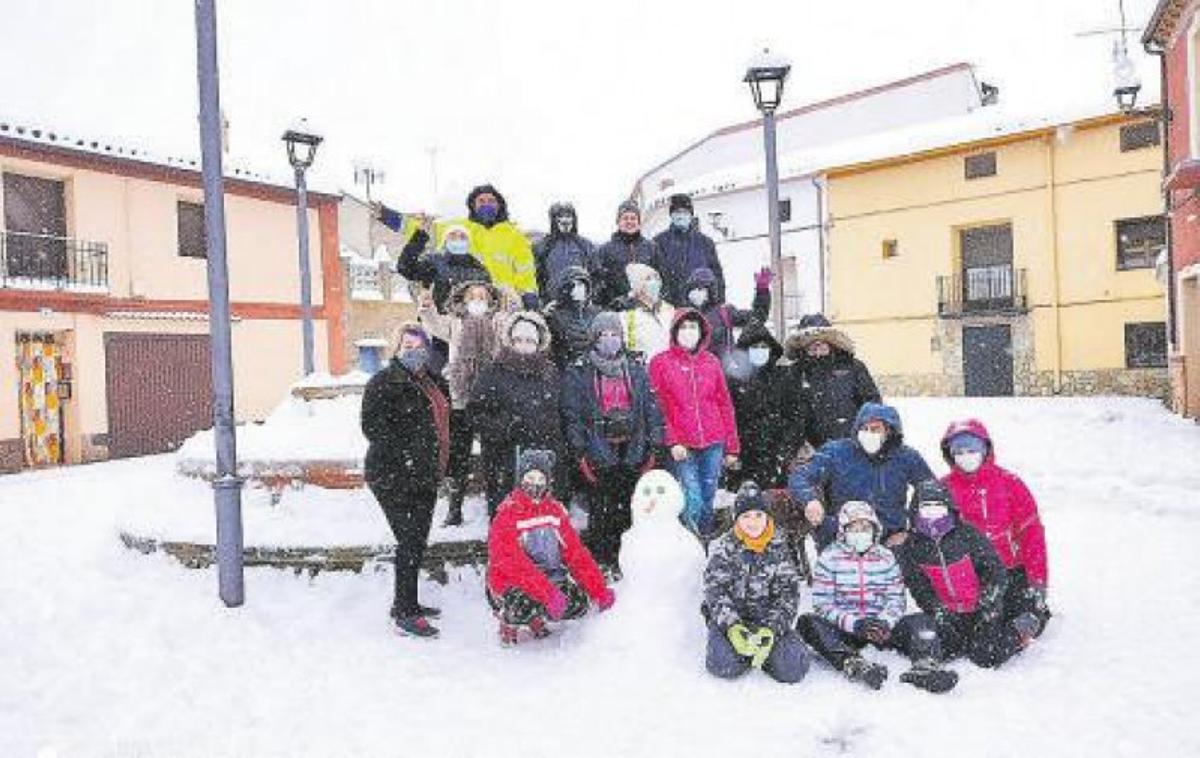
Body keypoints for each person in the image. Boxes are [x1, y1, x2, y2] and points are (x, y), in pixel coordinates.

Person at [796, 501, 959, 693]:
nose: (860, 533)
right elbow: (823, 604)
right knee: (808, 623)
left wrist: (885, 622)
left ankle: (925, 666)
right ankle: (854, 663)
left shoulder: (886, 557)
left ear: (875, 529)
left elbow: (896, 598)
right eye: (854, 528)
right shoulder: (829, 558)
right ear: (843, 531)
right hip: (847, 630)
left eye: (865, 527)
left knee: (922, 621)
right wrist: (854, 624)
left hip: (883, 629)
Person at [360, 323, 451, 638]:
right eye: (407, 346)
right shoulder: (384, 382)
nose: (414, 352)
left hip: (425, 476)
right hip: (394, 477)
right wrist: (408, 459)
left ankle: (407, 601)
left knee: (417, 541)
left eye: (420, 347)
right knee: (410, 542)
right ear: (397, 348)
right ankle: (405, 612)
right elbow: (373, 428)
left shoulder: (432, 381)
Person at [561, 311, 665, 578]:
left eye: (615, 335)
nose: (610, 340)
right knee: (601, 510)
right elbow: (573, 414)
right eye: (604, 335)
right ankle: (603, 562)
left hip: (632, 447)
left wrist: (654, 443)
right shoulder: (580, 371)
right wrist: (580, 450)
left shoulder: (635, 369)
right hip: (599, 448)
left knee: (631, 508)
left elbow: (650, 408)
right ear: (594, 339)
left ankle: (628, 560)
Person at [486, 449, 616, 645]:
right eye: (530, 477)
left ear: (548, 481)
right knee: (523, 604)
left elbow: (576, 554)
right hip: (510, 582)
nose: (535, 483)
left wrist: (599, 591)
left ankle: (538, 613)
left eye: (541, 478)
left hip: (549, 577)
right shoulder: (507, 514)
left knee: (578, 604)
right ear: (520, 479)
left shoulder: (554, 511)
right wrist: (547, 594)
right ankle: (509, 620)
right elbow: (513, 564)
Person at [899, 480, 1032, 668]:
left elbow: (994, 570)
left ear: (948, 506)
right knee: (943, 648)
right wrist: (937, 609)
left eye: (938, 505)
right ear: (916, 509)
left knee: (985, 655)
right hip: (949, 613)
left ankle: (1018, 628)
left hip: (981, 608)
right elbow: (919, 586)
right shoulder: (912, 546)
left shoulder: (967, 534)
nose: (933, 510)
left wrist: (989, 601)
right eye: (926, 505)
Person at [940, 419, 1051, 640]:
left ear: (985, 450)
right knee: (976, 627)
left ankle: (1028, 616)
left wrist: (1037, 580)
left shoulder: (1010, 483)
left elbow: (1032, 535)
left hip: (1011, 569)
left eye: (972, 448)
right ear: (950, 454)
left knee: (1023, 617)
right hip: (970, 574)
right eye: (959, 451)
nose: (966, 455)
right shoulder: (943, 488)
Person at [789, 402, 934, 550]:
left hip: (889, 540)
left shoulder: (906, 457)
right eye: (864, 428)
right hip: (840, 538)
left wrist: (911, 532)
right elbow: (801, 476)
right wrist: (810, 500)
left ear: (889, 431)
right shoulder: (836, 452)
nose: (869, 433)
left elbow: (931, 490)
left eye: (875, 429)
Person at [418, 280, 506, 526]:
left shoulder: (498, 321)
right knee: (459, 454)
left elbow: (512, 333)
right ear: (463, 300)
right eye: (472, 296)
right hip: (461, 396)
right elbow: (434, 325)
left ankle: (496, 507)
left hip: (492, 397)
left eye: (482, 296)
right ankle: (455, 508)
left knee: (493, 454)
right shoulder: (454, 322)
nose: (477, 300)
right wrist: (426, 308)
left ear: (490, 301)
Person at [703, 482, 809, 684]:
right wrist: (732, 626)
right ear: (737, 519)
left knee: (793, 668)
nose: (753, 522)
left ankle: (764, 651)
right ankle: (737, 647)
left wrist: (771, 629)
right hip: (734, 619)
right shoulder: (726, 547)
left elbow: (788, 595)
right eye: (746, 516)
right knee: (722, 664)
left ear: (767, 516)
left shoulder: (780, 546)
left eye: (758, 515)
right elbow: (715, 590)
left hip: (767, 621)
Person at [648, 309, 739, 539]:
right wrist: (672, 440)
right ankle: (688, 544)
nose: (689, 332)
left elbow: (724, 404)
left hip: (713, 441)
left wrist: (732, 447)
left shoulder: (711, 362)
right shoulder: (661, 363)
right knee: (692, 498)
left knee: (708, 498)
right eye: (684, 327)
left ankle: (703, 546)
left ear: (702, 332)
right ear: (675, 331)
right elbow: (657, 406)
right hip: (682, 445)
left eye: (694, 327)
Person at [468, 310, 567, 516]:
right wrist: (503, 426)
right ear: (509, 340)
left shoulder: (551, 373)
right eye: (518, 339)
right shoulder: (493, 372)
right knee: (508, 525)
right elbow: (475, 413)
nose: (523, 345)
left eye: (529, 340)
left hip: (544, 462)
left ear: (540, 342)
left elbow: (562, 415)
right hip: (504, 462)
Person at [726, 320, 809, 491]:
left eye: (764, 346)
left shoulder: (784, 377)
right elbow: (728, 417)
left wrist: (785, 450)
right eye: (754, 347)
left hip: (776, 455)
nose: (760, 351)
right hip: (744, 457)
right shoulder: (733, 382)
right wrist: (733, 450)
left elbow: (797, 416)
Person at [785, 314, 881, 448]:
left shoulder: (853, 367)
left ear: (831, 343)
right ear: (803, 347)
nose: (817, 351)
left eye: (821, 344)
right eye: (811, 346)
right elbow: (785, 413)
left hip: (851, 447)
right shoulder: (794, 373)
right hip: (809, 453)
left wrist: (867, 436)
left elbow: (872, 404)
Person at [447, 184, 538, 305]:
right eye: (481, 201)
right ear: (473, 205)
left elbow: (525, 269)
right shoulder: (461, 230)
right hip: (469, 298)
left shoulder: (514, 235)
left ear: (499, 205)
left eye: (491, 201)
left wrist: (528, 293)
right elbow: (442, 255)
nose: (486, 205)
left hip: (504, 299)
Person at [390, 217, 491, 313]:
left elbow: (488, 298)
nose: (458, 239)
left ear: (468, 242)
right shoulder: (434, 262)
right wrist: (420, 236)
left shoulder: (479, 269)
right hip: (437, 321)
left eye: (462, 237)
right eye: (453, 236)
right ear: (445, 241)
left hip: (467, 324)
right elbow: (406, 268)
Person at [682, 266, 771, 360]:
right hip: (695, 371)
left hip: (723, 371)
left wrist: (762, 291)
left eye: (700, 288)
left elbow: (758, 317)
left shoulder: (724, 313)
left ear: (711, 290)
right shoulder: (684, 317)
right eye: (693, 289)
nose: (696, 293)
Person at [653, 193, 724, 307]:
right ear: (671, 215)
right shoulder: (658, 242)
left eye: (685, 212)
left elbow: (717, 276)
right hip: (670, 308)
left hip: (701, 307)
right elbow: (654, 276)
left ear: (691, 215)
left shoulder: (705, 242)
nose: (680, 216)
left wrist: (718, 302)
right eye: (677, 212)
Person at [595, 200, 659, 307]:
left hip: (646, 308)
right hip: (616, 309)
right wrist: (611, 299)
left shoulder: (651, 248)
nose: (629, 222)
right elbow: (598, 282)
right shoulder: (605, 250)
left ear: (639, 222)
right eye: (625, 218)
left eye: (633, 218)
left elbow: (661, 277)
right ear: (618, 222)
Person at [534, 201, 600, 298]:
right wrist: (544, 302)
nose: (565, 220)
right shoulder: (542, 246)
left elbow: (596, 275)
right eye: (560, 216)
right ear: (553, 220)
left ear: (574, 219)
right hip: (552, 303)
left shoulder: (585, 245)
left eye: (568, 216)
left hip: (580, 301)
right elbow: (536, 278)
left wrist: (590, 297)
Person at [543, 265, 602, 370]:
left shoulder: (597, 313)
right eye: (572, 285)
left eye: (580, 284)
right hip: (568, 369)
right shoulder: (555, 315)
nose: (577, 289)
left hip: (595, 368)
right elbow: (554, 350)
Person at [621, 262, 675, 361]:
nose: (654, 282)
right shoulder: (629, 314)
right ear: (639, 285)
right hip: (645, 368)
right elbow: (630, 346)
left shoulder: (669, 309)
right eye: (648, 279)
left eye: (656, 278)